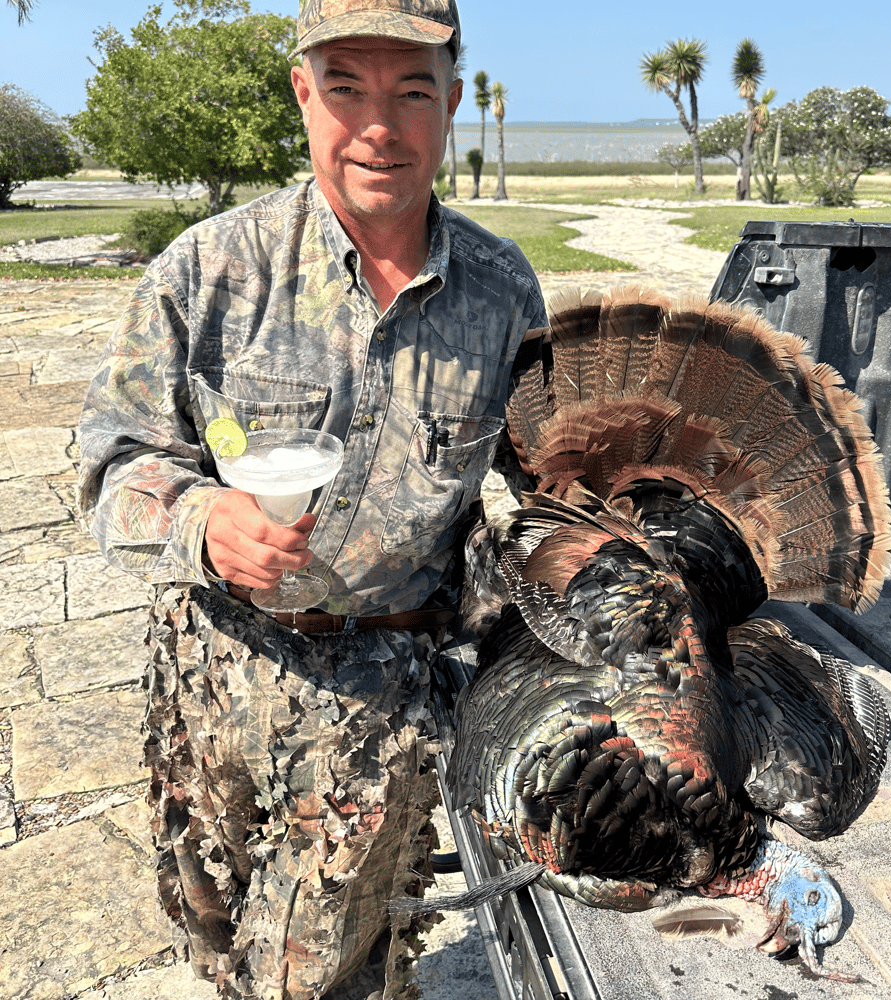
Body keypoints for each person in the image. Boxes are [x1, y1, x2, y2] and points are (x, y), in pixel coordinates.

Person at [76, 1, 547, 997]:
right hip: (211, 668)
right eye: (345, 86)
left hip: (382, 688)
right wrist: (204, 522)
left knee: (324, 973)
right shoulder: (205, 273)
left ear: (451, 101)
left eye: (411, 89)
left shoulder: (504, 293)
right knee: (209, 930)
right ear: (303, 96)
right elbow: (111, 466)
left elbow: (539, 480)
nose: (379, 124)